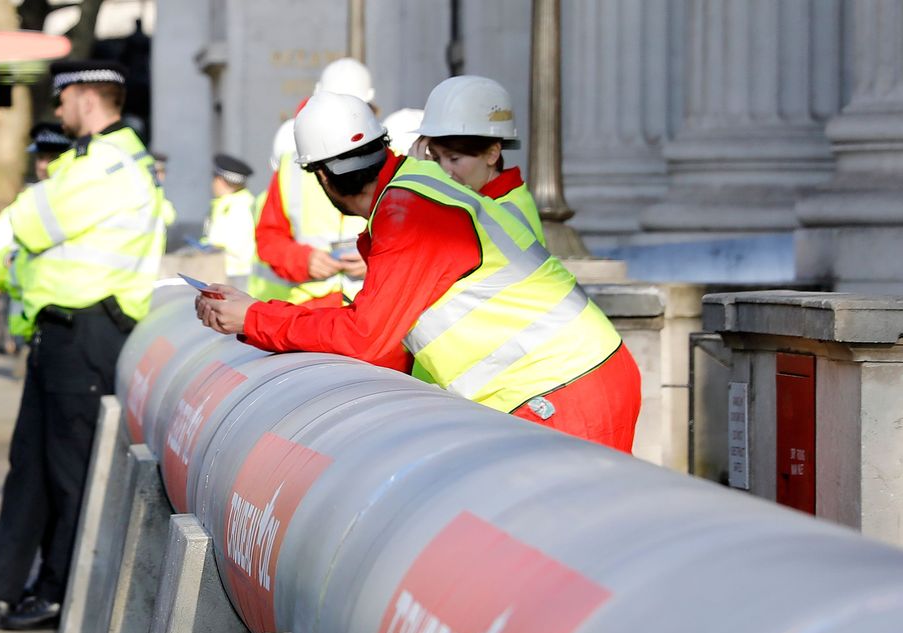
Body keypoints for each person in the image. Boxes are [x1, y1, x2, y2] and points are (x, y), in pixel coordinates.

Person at [195, 92, 642, 452]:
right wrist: (263, 313)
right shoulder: (413, 194)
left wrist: (255, 319)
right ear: (382, 147)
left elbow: (367, 338)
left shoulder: (408, 212)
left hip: (562, 387)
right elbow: (382, 325)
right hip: (567, 380)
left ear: (324, 179)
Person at [0, 59, 165, 631]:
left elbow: (26, 223)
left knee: (67, 473)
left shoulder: (109, 163)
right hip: (61, 330)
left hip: (88, 333)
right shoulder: (92, 162)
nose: (57, 113)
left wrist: (23, 231)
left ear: (85, 97)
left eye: (63, 101)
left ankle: (57, 593)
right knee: (30, 466)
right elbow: (24, 230)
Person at [251, 58, 375, 306]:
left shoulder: (389, 156)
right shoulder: (291, 167)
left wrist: (377, 260)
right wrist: (303, 260)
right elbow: (269, 238)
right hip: (312, 311)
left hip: (373, 308)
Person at [0, 122, 74, 345]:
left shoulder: (83, 202)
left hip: (70, 324)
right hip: (31, 327)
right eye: (40, 157)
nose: (43, 165)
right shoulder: (22, 207)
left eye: (51, 157)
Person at [413, 76, 543, 242]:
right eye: (436, 158)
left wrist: (419, 186)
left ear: (492, 154)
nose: (444, 171)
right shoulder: (477, 201)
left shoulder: (507, 208)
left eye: (454, 158)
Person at [202, 153, 257, 290]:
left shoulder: (240, 207)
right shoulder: (226, 205)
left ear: (220, 181)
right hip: (225, 272)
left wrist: (212, 248)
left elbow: (236, 245)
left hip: (235, 275)